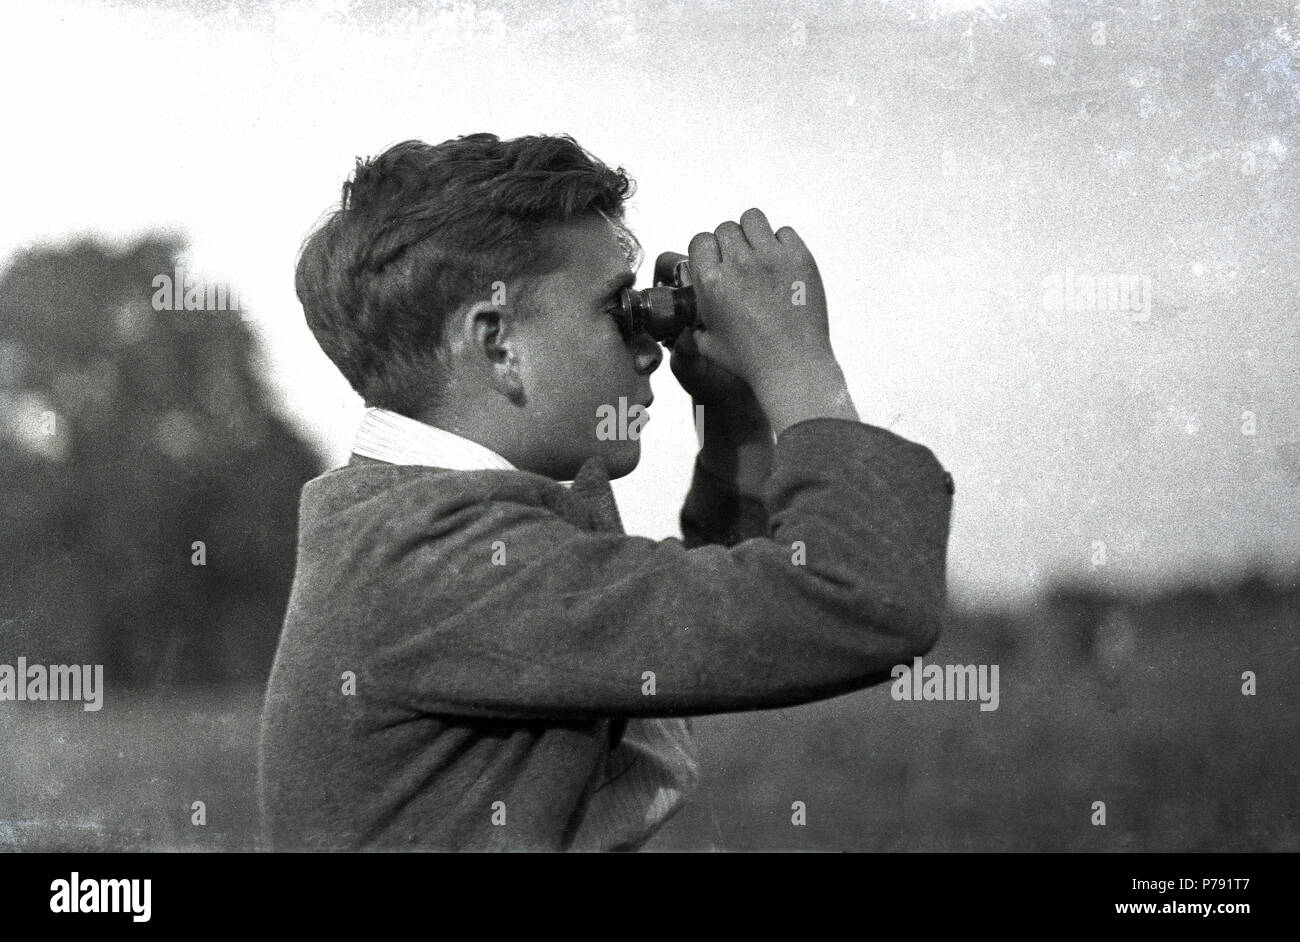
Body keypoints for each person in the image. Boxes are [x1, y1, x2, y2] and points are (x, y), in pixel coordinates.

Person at [258, 132, 954, 851]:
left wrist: (735, 426)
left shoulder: (410, 526)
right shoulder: (438, 555)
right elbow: (862, 601)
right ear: (499, 346)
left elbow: (698, 631)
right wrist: (798, 364)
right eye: (621, 309)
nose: (651, 346)